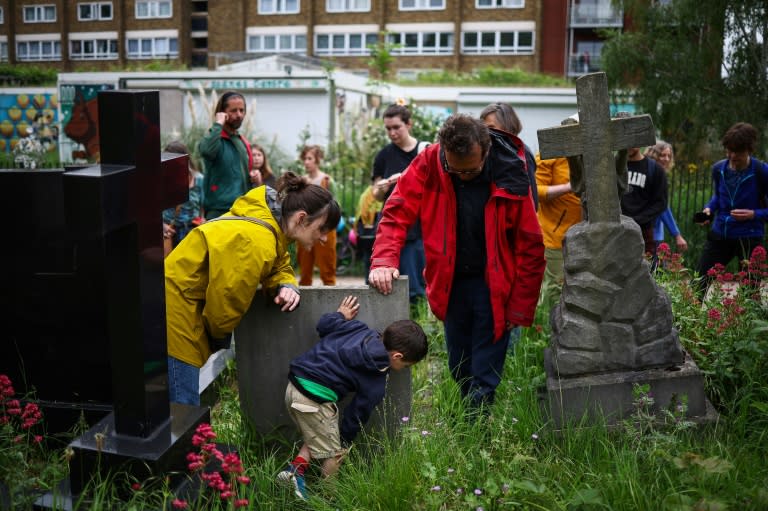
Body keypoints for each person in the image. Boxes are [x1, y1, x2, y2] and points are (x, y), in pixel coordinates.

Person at [368, 114, 545, 413]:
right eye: (454, 169)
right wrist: (384, 258)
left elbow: (530, 245)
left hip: (496, 285)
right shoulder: (430, 162)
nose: (462, 176)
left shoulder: (510, 171)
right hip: (451, 282)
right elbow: (397, 210)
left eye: (471, 170)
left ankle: (478, 432)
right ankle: (468, 419)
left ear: (485, 151)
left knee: (485, 370)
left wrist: (520, 306)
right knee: (459, 363)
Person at [165, 172, 341, 406]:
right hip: (176, 313)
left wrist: (285, 283)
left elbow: (279, 262)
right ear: (301, 218)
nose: (323, 239)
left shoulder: (268, 223)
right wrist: (217, 337)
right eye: (321, 229)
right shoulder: (257, 241)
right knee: (182, 408)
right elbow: (226, 304)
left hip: (176, 302)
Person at [277, 295, 427, 501]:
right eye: (407, 366)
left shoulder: (356, 328)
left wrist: (340, 315)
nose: (404, 370)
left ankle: (294, 472)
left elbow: (323, 325)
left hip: (294, 386)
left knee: (318, 433)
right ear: (397, 356)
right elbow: (356, 414)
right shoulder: (376, 377)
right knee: (333, 453)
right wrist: (345, 442)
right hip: (314, 401)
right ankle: (331, 497)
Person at [695, 122, 768, 293]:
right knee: (699, 281)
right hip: (720, 233)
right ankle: (691, 318)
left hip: (750, 237)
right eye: (729, 150)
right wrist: (709, 210)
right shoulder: (718, 169)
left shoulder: (761, 171)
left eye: (738, 152)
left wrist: (753, 214)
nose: (732, 156)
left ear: (749, 150)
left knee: (750, 291)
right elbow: (718, 197)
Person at [371, 104, 429, 303]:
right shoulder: (383, 155)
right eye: (388, 129)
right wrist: (384, 187)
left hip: (418, 228)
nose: (392, 133)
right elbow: (376, 195)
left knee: (417, 287)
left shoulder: (425, 152)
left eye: (396, 127)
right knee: (389, 284)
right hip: (391, 225)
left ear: (409, 124)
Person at [534, 154, 582, 310]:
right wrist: (569, 187)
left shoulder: (589, 150)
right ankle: (547, 331)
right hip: (555, 238)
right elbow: (536, 190)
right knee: (554, 292)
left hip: (585, 238)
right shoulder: (549, 154)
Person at [199, 90, 252, 220]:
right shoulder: (214, 138)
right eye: (233, 110)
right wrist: (218, 124)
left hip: (241, 210)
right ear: (222, 113)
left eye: (242, 110)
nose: (239, 115)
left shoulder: (241, 140)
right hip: (219, 212)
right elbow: (206, 151)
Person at [479, 102, 539, 210]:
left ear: (507, 126)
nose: (487, 132)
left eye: (491, 127)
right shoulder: (487, 152)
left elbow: (532, 200)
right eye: (483, 128)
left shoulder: (523, 154)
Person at [620, 145, 669, 268]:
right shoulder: (615, 167)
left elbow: (661, 202)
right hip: (617, 229)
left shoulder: (655, 169)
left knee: (646, 273)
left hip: (644, 232)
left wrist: (638, 219)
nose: (630, 145)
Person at [297, 145, 337, 286]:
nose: (306, 162)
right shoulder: (302, 181)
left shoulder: (326, 180)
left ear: (317, 160)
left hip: (324, 228)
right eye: (305, 159)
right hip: (305, 228)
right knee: (305, 268)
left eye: (310, 158)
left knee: (327, 268)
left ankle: (332, 299)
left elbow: (335, 207)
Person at [162, 141, 205, 257]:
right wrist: (163, 226)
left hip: (192, 231)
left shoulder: (199, 179)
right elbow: (152, 208)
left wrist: (202, 222)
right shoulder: (162, 180)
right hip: (170, 232)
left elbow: (202, 208)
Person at [644, 141, 688, 253]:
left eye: (669, 156)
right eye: (663, 155)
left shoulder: (655, 174)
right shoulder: (653, 176)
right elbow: (663, 209)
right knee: (654, 268)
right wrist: (677, 235)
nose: (667, 159)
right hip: (650, 232)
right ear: (654, 155)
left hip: (655, 231)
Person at [353, 185, 382, 283]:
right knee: (371, 257)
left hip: (366, 233)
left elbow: (359, 214)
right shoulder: (377, 197)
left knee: (368, 257)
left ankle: (369, 280)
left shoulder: (364, 195)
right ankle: (370, 280)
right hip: (371, 233)